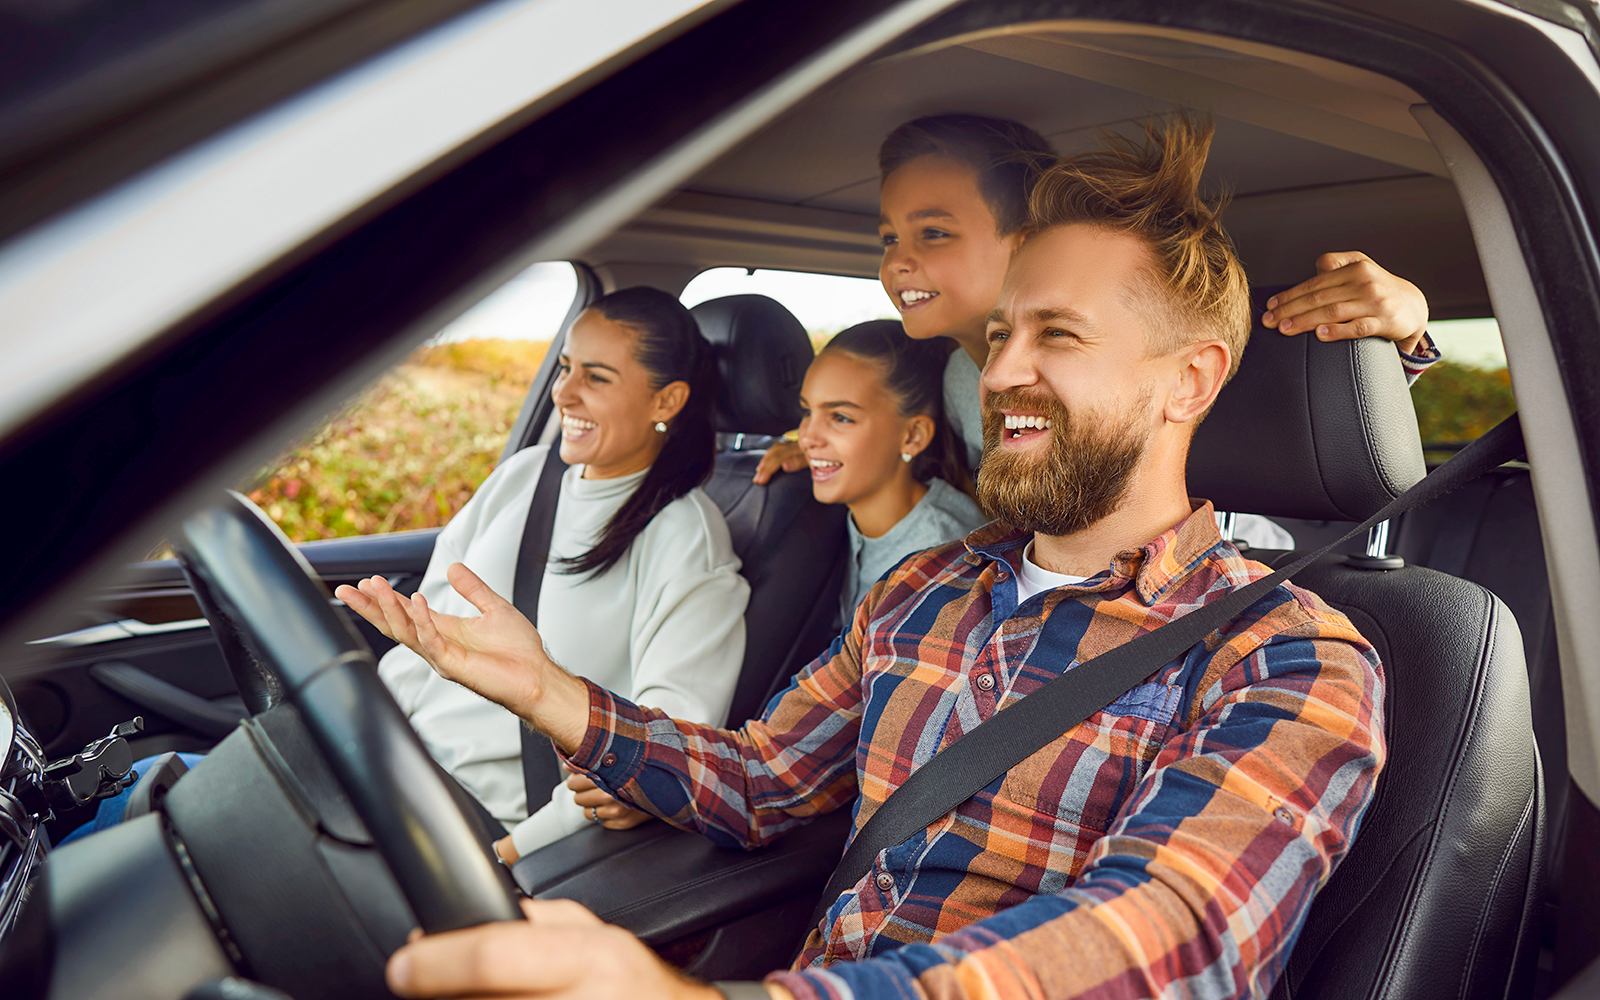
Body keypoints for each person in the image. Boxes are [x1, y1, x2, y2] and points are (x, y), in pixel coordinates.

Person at [356, 114, 1384, 1000]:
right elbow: (764, 780)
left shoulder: (1289, 661)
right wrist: (549, 692)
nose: (1004, 371)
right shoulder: (924, 589)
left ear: (1188, 381)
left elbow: (1167, 938)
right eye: (999, 332)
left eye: (1057, 335)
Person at [754, 114, 1438, 550]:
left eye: (933, 233)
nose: (898, 260)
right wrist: (824, 448)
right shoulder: (948, 376)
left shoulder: (1143, 362)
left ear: (1025, 243)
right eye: (888, 238)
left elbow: (1266, 410)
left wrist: (1404, 338)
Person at [338, 286, 749, 863]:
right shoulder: (524, 476)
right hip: (388, 774)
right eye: (564, 367)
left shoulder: (685, 538)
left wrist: (507, 855)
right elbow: (421, 634)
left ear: (667, 401)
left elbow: (660, 750)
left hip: (471, 828)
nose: (564, 392)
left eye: (597, 377)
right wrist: (357, 740)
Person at [796, 320, 985, 623]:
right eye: (807, 412)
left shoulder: (938, 564)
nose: (806, 438)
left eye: (841, 417)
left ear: (912, 436)